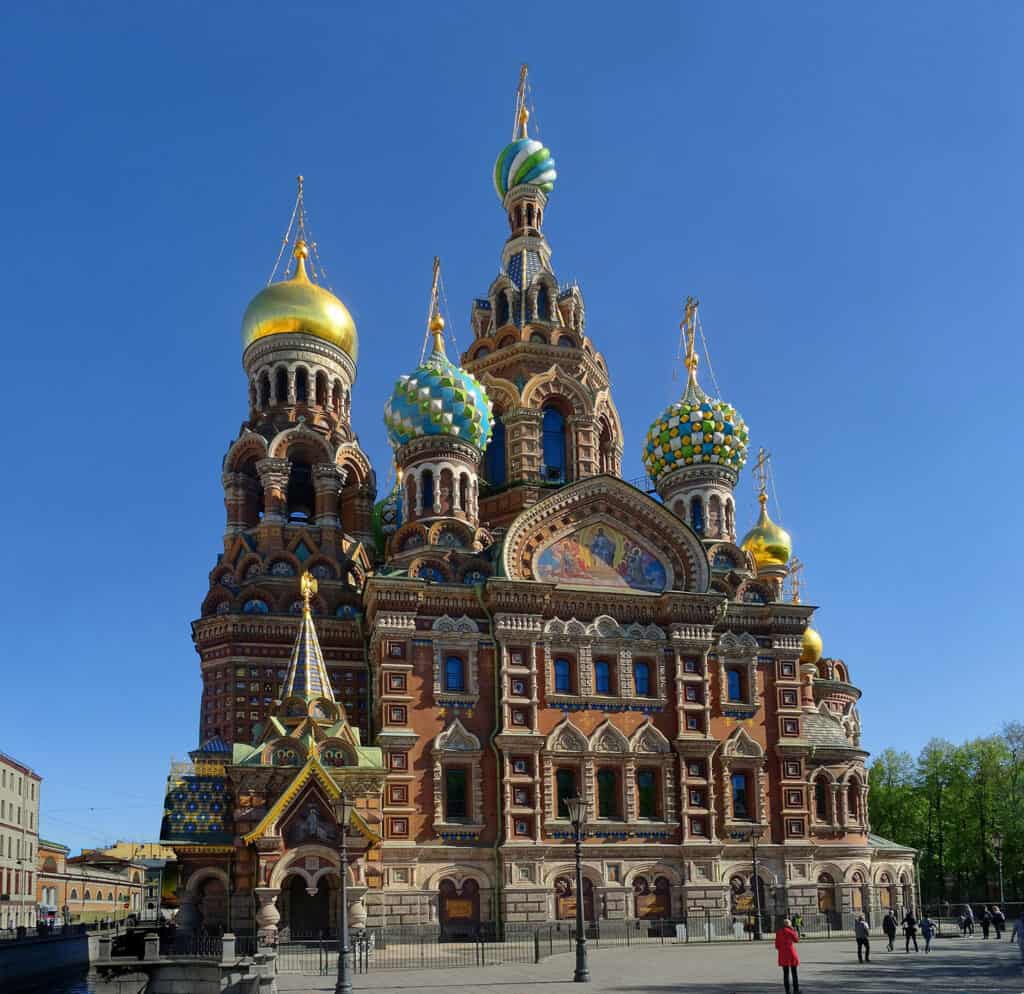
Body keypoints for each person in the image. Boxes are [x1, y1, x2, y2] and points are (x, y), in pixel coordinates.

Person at [774, 917, 801, 994]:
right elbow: (796, 940)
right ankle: (796, 990)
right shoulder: (790, 931)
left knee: (785, 974)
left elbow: (777, 945)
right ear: (789, 925)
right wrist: (792, 929)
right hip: (791, 953)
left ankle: (787, 991)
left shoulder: (779, 932)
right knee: (794, 973)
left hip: (782, 954)